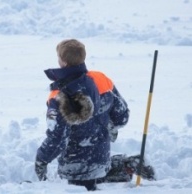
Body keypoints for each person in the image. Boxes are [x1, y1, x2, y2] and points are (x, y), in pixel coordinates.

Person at [35, 39, 155, 191]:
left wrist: (42, 159)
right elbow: (122, 116)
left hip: (75, 166)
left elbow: (58, 138)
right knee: (94, 171)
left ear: (63, 62)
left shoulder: (58, 96)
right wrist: (109, 124)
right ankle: (125, 166)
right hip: (101, 157)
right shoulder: (101, 79)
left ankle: (115, 170)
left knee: (78, 186)